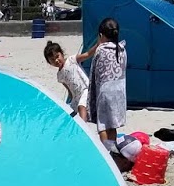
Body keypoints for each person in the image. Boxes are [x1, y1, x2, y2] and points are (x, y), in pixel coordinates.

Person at [78, 16, 127, 149]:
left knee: (103, 125)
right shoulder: (122, 49)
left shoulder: (101, 49)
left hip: (105, 92)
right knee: (113, 124)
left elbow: (95, 72)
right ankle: (113, 149)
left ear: (101, 35)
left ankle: (107, 151)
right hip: (120, 91)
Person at [44, 39, 89, 120]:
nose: (56, 60)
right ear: (49, 63)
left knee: (81, 107)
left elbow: (87, 54)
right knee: (69, 115)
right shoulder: (59, 76)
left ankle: (83, 126)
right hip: (76, 97)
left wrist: (98, 45)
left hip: (86, 89)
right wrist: (71, 100)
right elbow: (69, 90)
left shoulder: (72, 60)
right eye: (52, 60)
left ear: (62, 53)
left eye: (57, 56)